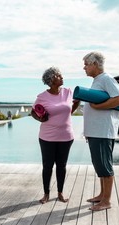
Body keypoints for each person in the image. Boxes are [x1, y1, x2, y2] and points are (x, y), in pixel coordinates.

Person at [81, 52, 119, 211]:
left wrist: (97, 107)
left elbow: (118, 99)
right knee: (99, 165)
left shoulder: (106, 79)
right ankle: (102, 195)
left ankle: (106, 201)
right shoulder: (98, 81)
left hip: (103, 132)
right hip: (96, 132)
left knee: (105, 165)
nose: (84, 67)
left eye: (86, 64)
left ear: (94, 64)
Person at [32, 67, 80, 204]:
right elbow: (33, 112)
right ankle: (46, 194)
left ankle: (60, 193)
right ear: (51, 79)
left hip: (66, 136)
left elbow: (72, 107)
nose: (62, 77)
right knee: (47, 166)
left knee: (61, 165)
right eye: (59, 75)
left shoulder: (68, 92)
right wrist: (40, 119)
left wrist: (72, 109)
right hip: (47, 137)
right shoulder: (42, 97)